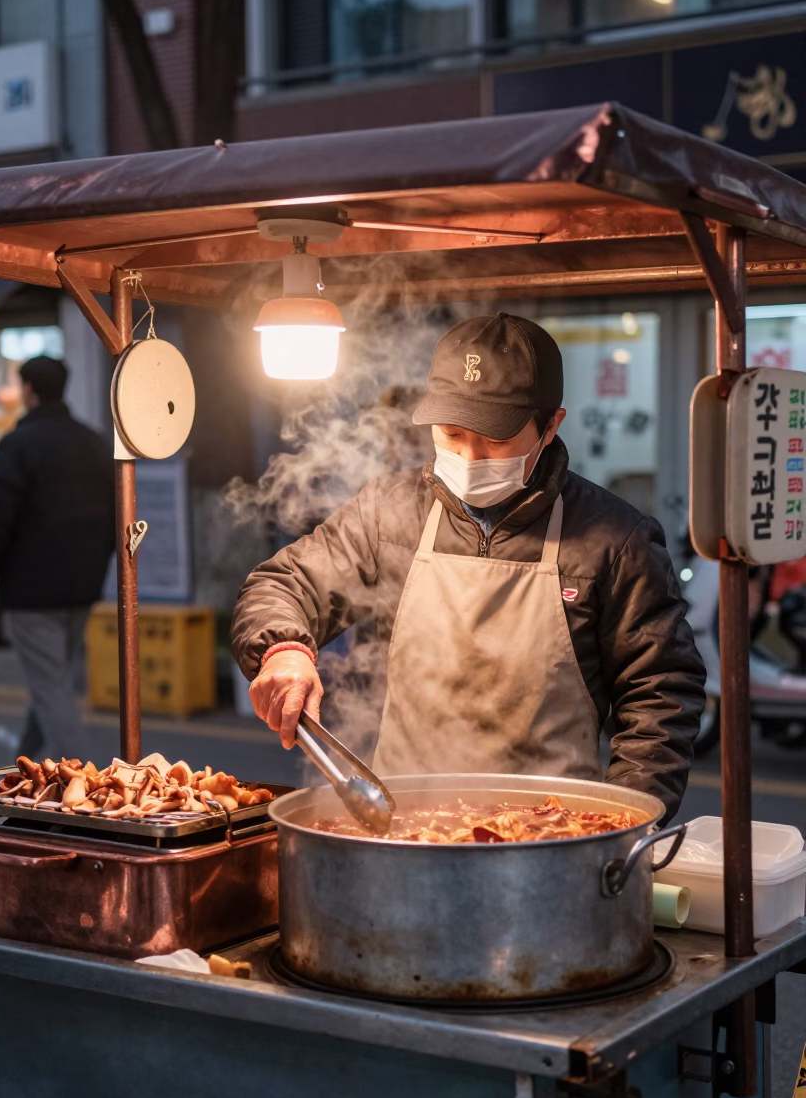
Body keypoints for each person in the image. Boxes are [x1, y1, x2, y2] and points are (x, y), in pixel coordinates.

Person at [232, 314, 706, 821]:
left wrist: (619, 823)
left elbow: (661, 694)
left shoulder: (616, 539)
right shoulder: (387, 514)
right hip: (401, 829)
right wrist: (283, 651)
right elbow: (284, 584)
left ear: (551, 425)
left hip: (550, 838)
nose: (470, 457)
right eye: (453, 433)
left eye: (496, 440)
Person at [0, 355, 115, 761]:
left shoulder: (18, 444)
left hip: (31, 593)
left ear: (29, 388)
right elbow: (116, 514)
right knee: (53, 678)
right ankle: (27, 754)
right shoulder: (94, 442)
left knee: (51, 687)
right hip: (82, 586)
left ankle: (86, 786)